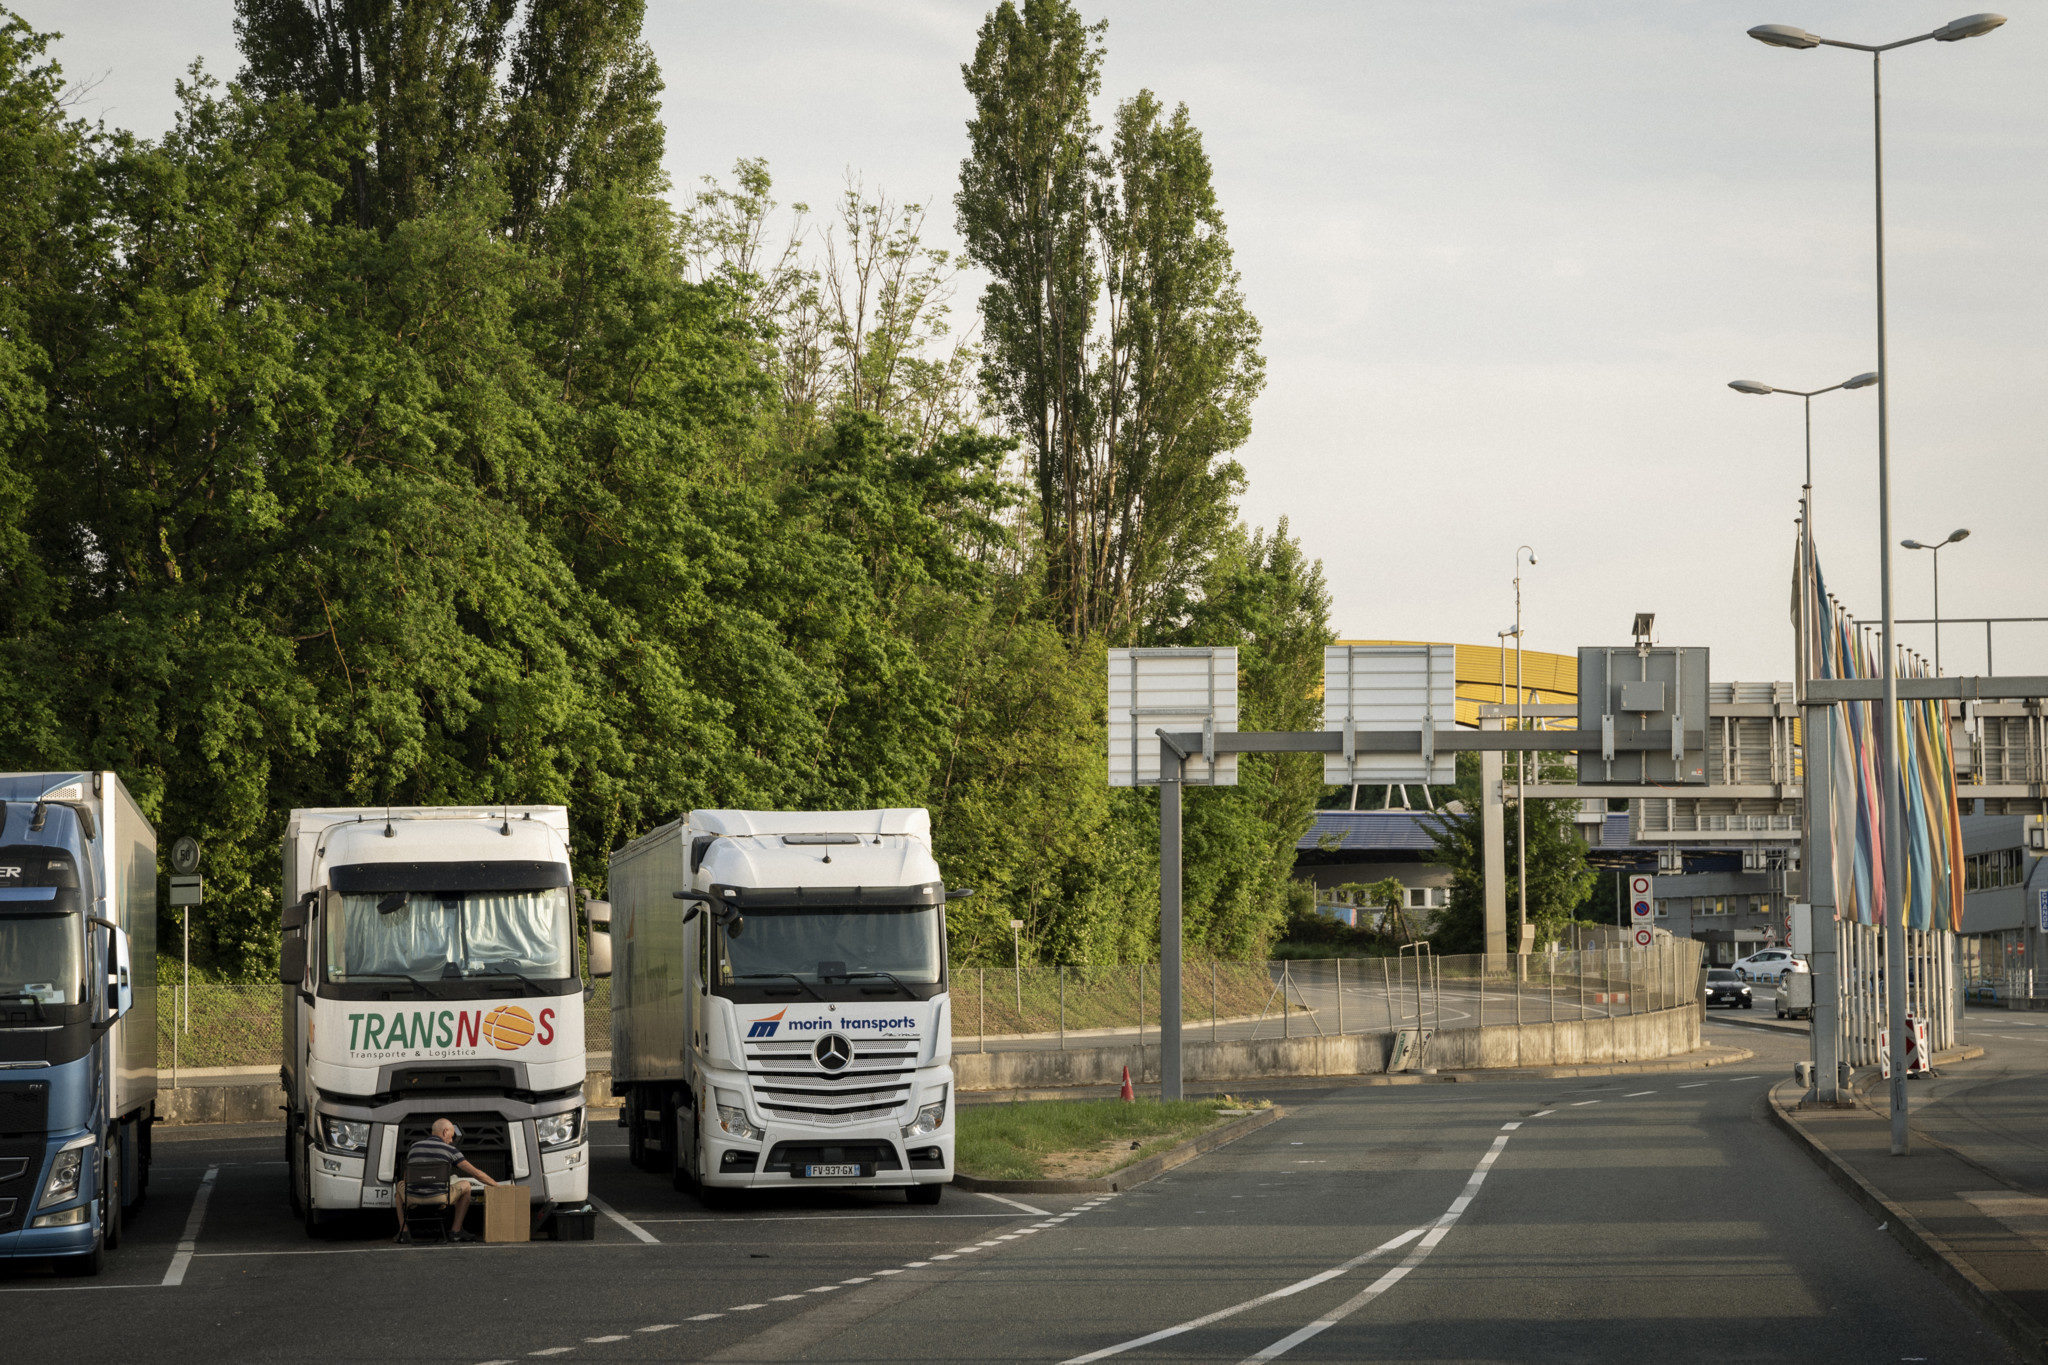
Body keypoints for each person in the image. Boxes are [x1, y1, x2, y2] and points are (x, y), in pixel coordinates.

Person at [395, 1117, 499, 1243]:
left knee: (399, 1187)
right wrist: (497, 1185)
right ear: (445, 1132)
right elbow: (476, 1174)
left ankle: (404, 1232)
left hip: (412, 1198)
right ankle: (456, 1231)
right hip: (440, 1197)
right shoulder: (450, 1150)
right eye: (451, 1136)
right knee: (466, 1184)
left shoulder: (413, 1148)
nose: (451, 1140)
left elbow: (407, 1179)